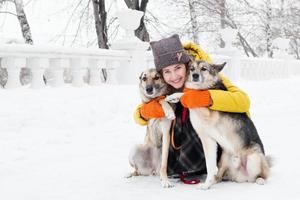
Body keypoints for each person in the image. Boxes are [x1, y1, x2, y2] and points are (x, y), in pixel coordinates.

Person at [134, 34, 250, 180]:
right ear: (162, 75)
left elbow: (243, 101)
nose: (174, 76)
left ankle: (206, 164)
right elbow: (139, 115)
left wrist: (206, 98)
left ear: (187, 65)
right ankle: (179, 164)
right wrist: (144, 112)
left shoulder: (205, 71)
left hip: (221, 136)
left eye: (178, 68)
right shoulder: (165, 86)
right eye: (167, 72)